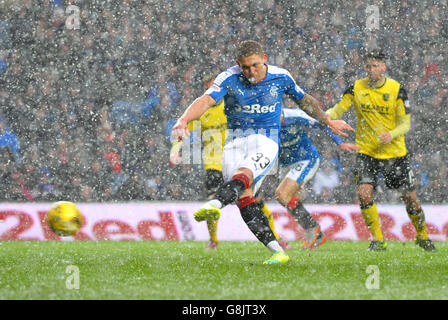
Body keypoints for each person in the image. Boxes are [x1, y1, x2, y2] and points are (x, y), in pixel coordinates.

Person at [171, 40, 353, 264]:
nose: (251, 71)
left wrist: (327, 120)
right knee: (245, 200)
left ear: (265, 58)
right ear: (239, 64)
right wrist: (183, 119)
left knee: (246, 174)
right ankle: (278, 252)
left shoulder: (281, 77)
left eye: (255, 65)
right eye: (246, 67)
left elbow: (305, 101)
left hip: (266, 139)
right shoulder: (228, 77)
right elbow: (206, 100)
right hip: (235, 143)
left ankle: (216, 204)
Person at [325, 49, 436, 251]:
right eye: (368, 66)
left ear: (383, 67)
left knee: (410, 198)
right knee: (364, 194)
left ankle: (422, 236)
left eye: (375, 65)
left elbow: (405, 124)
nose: (371, 70)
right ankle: (378, 240)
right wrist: (325, 116)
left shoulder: (397, 89)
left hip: (395, 154)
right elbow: (339, 108)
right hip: (366, 152)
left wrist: (391, 134)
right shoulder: (356, 87)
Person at [170, 74, 289, 250]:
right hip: (213, 164)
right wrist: (175, 151)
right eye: (209, 89)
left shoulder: (231, 107)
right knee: (212, 202)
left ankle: (276, 237)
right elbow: (183, 131)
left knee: (256, 201)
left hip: (237, 160)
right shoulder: (203, 113)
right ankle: (213, 240)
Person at [275, 107, 360, 249]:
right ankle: (317, 234)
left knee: (282, 194)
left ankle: (312, 228)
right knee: (283, 198)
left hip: (306, 159)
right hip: (285, 164)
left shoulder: (296, 116)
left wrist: (339, 142)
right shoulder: (263, 123)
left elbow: (323, 123)